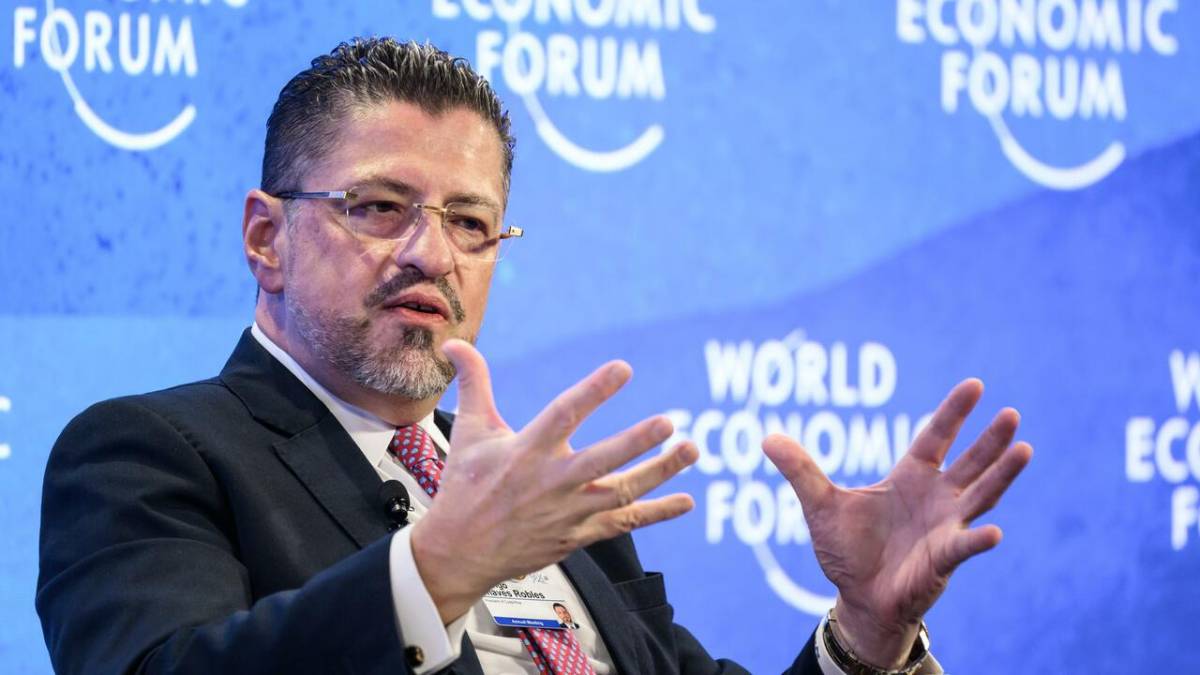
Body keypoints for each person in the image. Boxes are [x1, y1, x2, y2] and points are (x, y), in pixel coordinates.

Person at [36, 38, 1032, 675]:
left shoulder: (541, 495)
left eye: (471, 222)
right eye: (379, 206)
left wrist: (864, 633)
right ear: (266, 237)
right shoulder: (150, 451)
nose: (432, 253)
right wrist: (437, 568)